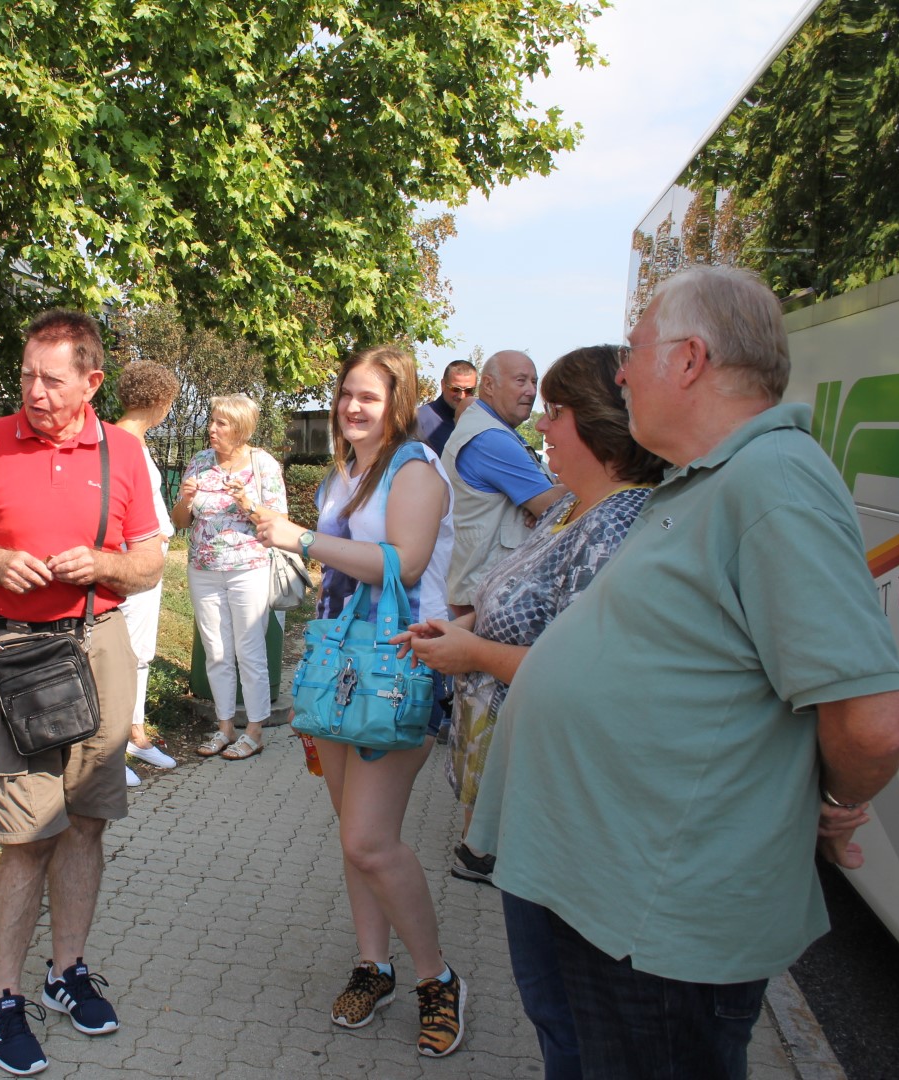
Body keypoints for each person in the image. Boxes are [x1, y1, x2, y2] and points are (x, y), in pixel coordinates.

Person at [469, 265, 899, 1080]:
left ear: (689, 360)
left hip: (655, 923)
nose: (623, 373)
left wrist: (834, 800)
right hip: (595, 886)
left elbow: (872, 720)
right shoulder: (704, 480)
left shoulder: (775, 481)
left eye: (633, 352)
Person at [393, 344, 667, 1079]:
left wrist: (473, 654)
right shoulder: (576, 512)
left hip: (573, 810)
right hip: (537, 798)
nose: (542, 427)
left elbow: (591, 676)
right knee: (554, 1014)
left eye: (555, 411)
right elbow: (515, 602)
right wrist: (462, 627)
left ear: (598, 426)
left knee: (579, 1018)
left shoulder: (621, 526)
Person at [0, 310, 163, 1077]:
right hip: (16, 655)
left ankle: (66, 972)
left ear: (92, 382)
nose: (32, 391)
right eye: (26, 374)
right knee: (27, 834)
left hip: (99, 647)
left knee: (88, 823)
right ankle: (3, 997)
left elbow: (151, 563)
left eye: (51, 378)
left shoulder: (126, 452)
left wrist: (101, 564)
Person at [255, 345, 465, 1060]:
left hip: (402, 664)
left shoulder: (414, 469)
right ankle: (372, 966)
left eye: (367, 397)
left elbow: (403, 563)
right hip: (343, 666)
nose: (351, 406)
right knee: (354, 833)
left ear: (398, 402)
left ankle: (437, 978)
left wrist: (304, 540)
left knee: (369, 840)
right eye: (346, 393)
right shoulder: (345, 473)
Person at [438, 348, 564, 883]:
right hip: (487, 603)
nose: (529, 389)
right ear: (487, 384)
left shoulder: (482, 431)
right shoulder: (491, 440)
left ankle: (476, 840)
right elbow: (554, 506)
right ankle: (480, 849)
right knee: (489, 724)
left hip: (475, 595)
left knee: (475, 720)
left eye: (534, 380)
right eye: (519, 379)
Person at [171, 393, 287, 762]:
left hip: (247, 568)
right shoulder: (200, 462)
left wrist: (247, 503)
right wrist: (185, 501)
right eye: (212, 421)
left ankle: (254, 730)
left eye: (221, 423)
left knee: (248, 649)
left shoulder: (262, 464)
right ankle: (224, 727)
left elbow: (278, 520)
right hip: (203, 569)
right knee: (217, 652)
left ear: (240, 428)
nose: (212, 429)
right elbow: (180, 522)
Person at [113, 361, 183, 786]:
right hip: (129, 564)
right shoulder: (120, 442)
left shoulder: (136, 442)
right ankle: (106, 751)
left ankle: (135, 734)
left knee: (139, 653)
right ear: (160, 402)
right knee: (118, 656)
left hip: (146, 565)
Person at [415, 359, 479, 455]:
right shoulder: (419, 420)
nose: (461, 396)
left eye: (469, 390)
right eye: (455, 389)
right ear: (443, 385)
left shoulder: (479, 422)